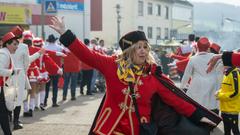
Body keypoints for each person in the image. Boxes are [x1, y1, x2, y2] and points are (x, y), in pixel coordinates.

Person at [49, 17, 217, 135]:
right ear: (129, 51)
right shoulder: (112, 65)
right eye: (139, 47)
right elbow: (87, 55)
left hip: (138, 129)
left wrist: (198, 116)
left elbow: (176, 99)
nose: (143, 50)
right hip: (108, 127)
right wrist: (66, 33)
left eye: (145, 46)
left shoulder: (153, 75)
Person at [180, 37, 220, 113]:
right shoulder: (215, 57)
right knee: (212, 111)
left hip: (197, 87)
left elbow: (186, 75)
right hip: (212, 86)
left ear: (197, 47)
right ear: (208, 47)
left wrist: (182, 87)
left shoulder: (193, 59)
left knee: (198, 110)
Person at [0, 32, 20, 135]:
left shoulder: (6, 53)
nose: (16, 47)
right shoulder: (4, 53)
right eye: (14, 44)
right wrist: (12, 72)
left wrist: (14, 70)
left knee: (4, 114)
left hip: (3, 88)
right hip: (1, 89)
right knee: (4, 114)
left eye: (17, 44)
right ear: (7, 44)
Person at [215, 66, 240, 135]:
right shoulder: (226, 74)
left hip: (232, 109)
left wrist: (220, 95)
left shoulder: (234, 74)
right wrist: (219, 92)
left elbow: (236, 92)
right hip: (224, 108)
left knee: (235, 130)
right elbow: (226, 89)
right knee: (226, 131)